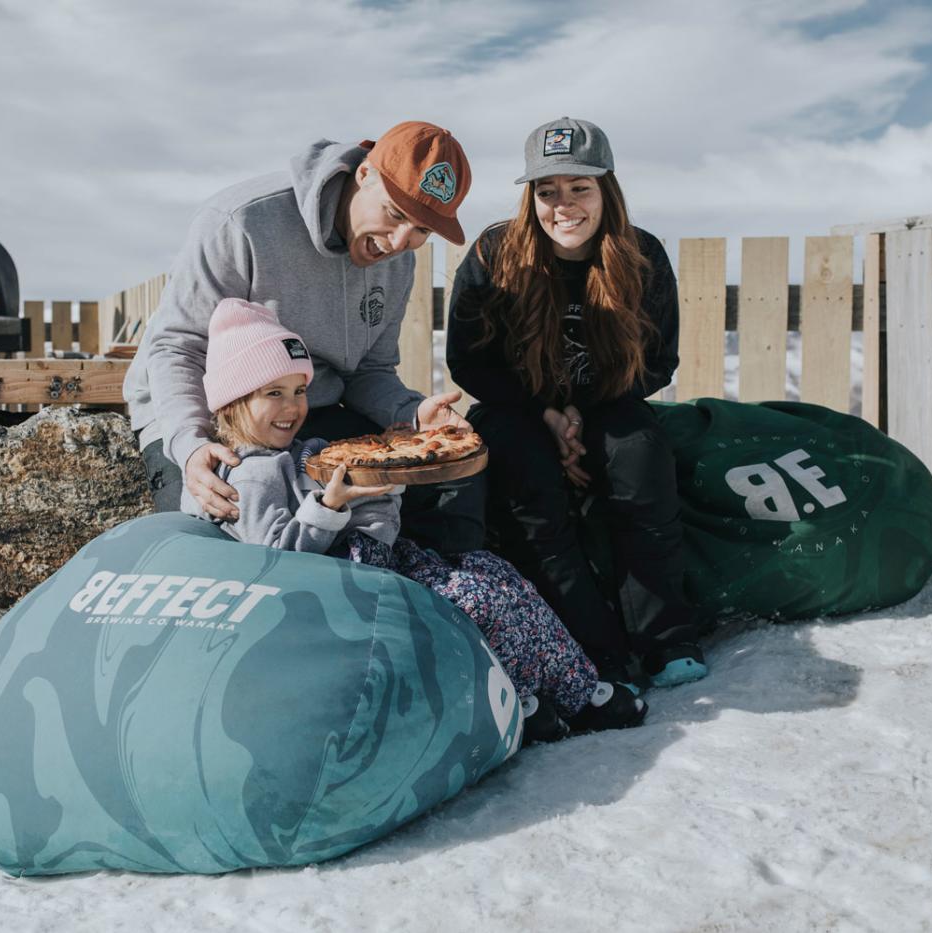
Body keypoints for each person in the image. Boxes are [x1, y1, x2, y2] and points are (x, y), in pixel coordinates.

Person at [199, 297, 648, 742]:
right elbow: (275, 561)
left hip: (382, 559)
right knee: (475, 601)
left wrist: (387, 480)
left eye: (299, 391)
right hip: (346, 586)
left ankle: (577, 688)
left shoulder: (305, 451)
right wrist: (331, 506)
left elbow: (371, 515)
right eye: (273, 393)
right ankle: (516, 698)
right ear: (233, 402)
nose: (293, 406)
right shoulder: (251, 474)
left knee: (496, 573)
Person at [124, 121, 484, 554]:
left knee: (442, 489)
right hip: (210, 416)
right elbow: (177, 345)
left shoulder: (398, 262)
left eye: (424, 229)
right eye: (395, 213)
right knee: (220, 544)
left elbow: (369, 371)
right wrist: (190, 443)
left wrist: (413, 413)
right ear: (364, 174)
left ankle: (435, 605)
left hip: (311, 410)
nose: (401, 242)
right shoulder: (242, 222)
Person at [446, 117, 709, 688]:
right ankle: (594, 652)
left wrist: (582, 416)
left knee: (639, 459)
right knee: (529, 484)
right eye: (547, 191)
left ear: (606, 190)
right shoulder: (496, 252)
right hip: (515, 407)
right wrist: (545, 411)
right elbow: (468, 361)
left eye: (579, 188)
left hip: (608, 403)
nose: (563, 206)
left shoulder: (641, 256)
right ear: (530, 197)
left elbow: (659, 361)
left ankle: (666, 640)